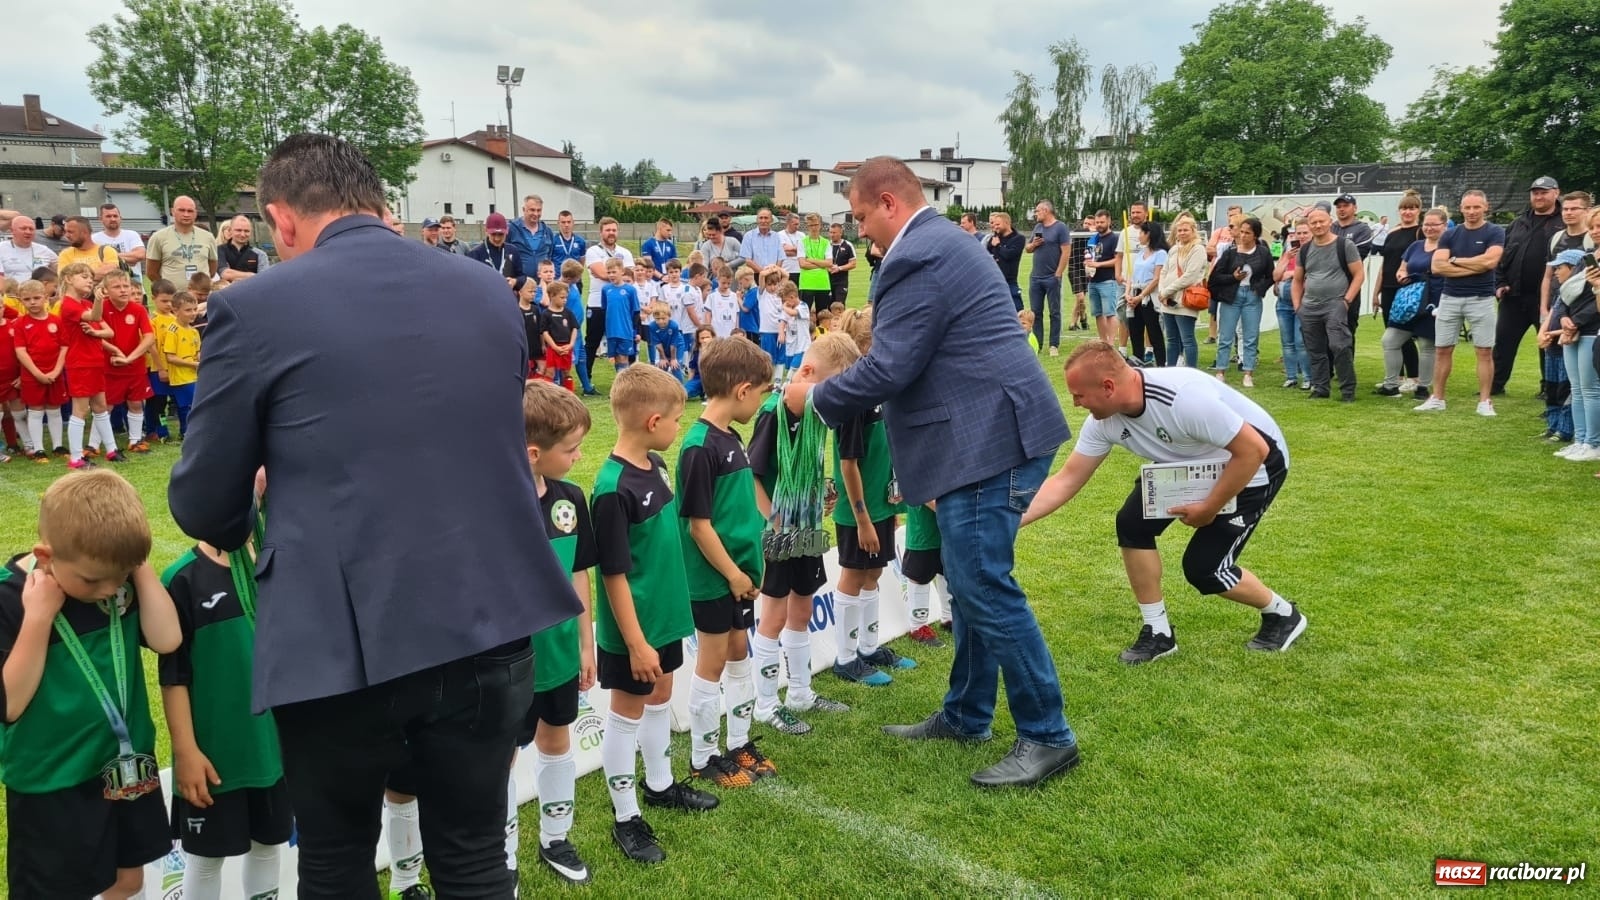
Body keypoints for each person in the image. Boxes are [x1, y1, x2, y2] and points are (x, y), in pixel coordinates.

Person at [167, 133, 577, 900]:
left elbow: (203, 506)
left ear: (280, 221)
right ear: (378, 203)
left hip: (339, 633)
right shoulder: (486, 288)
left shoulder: (253, 305)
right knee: (475, 854)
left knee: (334, 858)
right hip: (486, 612)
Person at [784, 157, 1077, 788]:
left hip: (990, 438)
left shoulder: (916, 255)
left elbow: (890, 367)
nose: (862, 233)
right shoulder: (943, 241)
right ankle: (968, 713)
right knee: (971, 583)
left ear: (889, 202)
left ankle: (1048, 734)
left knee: (983, 585)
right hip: (984, 433)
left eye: (862, 218)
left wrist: (816, 398)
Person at [1024, 342, 1304, 662]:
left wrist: (1210, 507)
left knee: (1205, 569)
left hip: (1253, 465)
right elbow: (1066, 480)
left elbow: (1254, 450)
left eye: (1078, 395)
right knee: (1132, 525)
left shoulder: (1183, 399)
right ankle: (1158, 633)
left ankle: (1283, 614)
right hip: (1190, 463)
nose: (1074, 403)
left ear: (1108, 386)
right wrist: (1006, 519)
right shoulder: (1104, 422)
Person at [0, 469, 182, 900]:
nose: (107, 591)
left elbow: (167, 639)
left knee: (128, 879)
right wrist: (39, 618)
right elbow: (10, 703)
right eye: (92, 580)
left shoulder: (120, 581)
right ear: (45, 556)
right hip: (52, 781)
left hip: (125, 769)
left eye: (119, 576)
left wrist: (139, 571)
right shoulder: (10, 600)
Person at [591, 365, 719, 865]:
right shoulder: (611, 488)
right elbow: (614, 576)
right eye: (674, 419)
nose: (678, 427)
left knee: (662, 694)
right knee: (626, 712)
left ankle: (659, 784)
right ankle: (625, 818)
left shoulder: (657, 467)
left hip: (665, 618)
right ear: (651, 421)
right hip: (635, 630)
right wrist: (636, 643)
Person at [160, 500, 292, 900]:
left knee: (269, 844)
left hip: (272, 750)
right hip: (214, 759)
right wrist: (185, 751)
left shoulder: (277, 564)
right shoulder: (182, 579)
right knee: (206, 857)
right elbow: (174, 677)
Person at [676, 337, 777, 791]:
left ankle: (737, 743)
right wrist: (733, 573)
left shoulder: (730, 438)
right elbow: (699, 526)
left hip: (737, 578)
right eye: (762, 390)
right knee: (712, 663)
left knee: (739, 655)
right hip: (715, 579)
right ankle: (703, 757)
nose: (763, 399)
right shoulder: (699, 446)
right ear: (741, 390)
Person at [752, 334, 861, 736]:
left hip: (807, 523)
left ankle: (800, 692)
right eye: (832, 391)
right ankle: (765, 703)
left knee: (802, 610)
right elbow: (752, 477)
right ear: (809, 373)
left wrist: (820, 491)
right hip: (780, 530)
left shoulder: (812, 415)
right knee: (775, 615)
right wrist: (775, 520)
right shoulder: (771, 413)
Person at [516, 381, 598, 885]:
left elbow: (579, 573)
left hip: (562, 652)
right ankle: (500, 861)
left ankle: (555, 836)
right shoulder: (495, 507)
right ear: (533, 452)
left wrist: (586, 642)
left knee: (557, 737)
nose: (578, 456)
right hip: (509, 662)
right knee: (501, 755)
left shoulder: (570, 499)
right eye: (570, 450)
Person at [827, 307, 915, 686]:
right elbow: (849, 465)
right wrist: (862, 518)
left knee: (874, 571)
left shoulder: (879, 391)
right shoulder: (854, 400)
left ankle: (868, 646)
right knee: (854, 573)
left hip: (880, 503)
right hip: (857, 510)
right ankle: (846, 659)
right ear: (866, 346)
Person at [1419, 191, 1505, 416]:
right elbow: (1438, 267)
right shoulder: (1450, 234)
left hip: (1482, 298)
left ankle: (1485, 402)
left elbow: (1491, 261)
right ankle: (1437, 398)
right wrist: (1476, 265)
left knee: (1484, 351)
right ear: (1461, 208)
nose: (1472, 212)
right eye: (1467, 208)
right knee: (1442, 350)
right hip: (1450, 297)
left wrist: (1456, 261)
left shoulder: (1495, 231)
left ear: (1486, 207)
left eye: (1476, 207)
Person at [1493, 176, 1564, 395]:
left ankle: (1548, 387)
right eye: (1535, 192)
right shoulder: (1518, 222)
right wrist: (1501, 281)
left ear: (1556, 193)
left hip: (1547, 297)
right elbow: (1503, 256)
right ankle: (1495, 384)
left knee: (1548, 343)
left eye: (1544, 192)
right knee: (1503, 342)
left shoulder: (1563, 222)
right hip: (1514, 294)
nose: (1539, 196)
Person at [1292, 206, 1364, 401]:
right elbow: (1297, 280)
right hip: (1309, 307)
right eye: (1313, 222)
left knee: (1340, 346)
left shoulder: (1344, 245)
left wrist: (1346, 301)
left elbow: (1359, 275)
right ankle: (1320, 388)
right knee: (1315, 350)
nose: (1318, 225)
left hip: (1335, 304)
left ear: (1329, 222)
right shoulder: (1305, 249)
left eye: (1321, 221)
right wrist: (1298, 306)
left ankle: (1347, 391)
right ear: (1309, 225)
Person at [56, 263, 123, 467]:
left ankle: (111, 449)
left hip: (94, 360)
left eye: (90, 277)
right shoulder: (68, 304)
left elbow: (108, 331)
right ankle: (76, 457)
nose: (89, 280)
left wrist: (95, 333)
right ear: (68, 279)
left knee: (101, 406)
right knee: (80, 409)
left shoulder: (85, 303)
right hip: (79, 362)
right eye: (84, 276)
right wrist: (100, 301)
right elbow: (95, 317)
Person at [1382, 208, 1446, 401]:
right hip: (1409, 300)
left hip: (1433, 300)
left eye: (1434, 224)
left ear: (1444, 225)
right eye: (1426, 224)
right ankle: (1391, 384)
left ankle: (1423, 387)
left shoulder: (1449, 247)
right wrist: (1401, 275)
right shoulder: (1415, 246)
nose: (1429, 228)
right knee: (1390, 340)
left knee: (1427, 344)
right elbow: (1402, 268)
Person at [1544, 250, 1600, 461]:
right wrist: (1565, 319)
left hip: (1591, 332)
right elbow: (1565, 299)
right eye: (1592, 227)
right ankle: (1581, 440)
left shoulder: (1587, 267)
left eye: (1560, 267)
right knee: (1576, 389)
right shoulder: (1585, 262)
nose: (1556, 271)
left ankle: (1593, 443)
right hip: (1572, 332)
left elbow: (1595, 305)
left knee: (1590, 389)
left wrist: (1574, 322)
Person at [1208, 217, 1274, 388]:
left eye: (1247, 233)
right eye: (1242, 232)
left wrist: (1259, 288)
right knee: (1225, 335)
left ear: (1255, 235)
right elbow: (1215, 277)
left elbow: (1270, 276)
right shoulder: (1230, 253)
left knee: (1251, 336)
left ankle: (1248, 373)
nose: (1243, 236)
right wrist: (1233, 277)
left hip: (1252, 297)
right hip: (1232, 296)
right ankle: (1221, 371)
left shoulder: (1263, 253)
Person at [11, 279, 68, 460]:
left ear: (46, 297)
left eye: (36, 298)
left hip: (54, 375)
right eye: (27, 299)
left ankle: (58, 446)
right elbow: (21, 352)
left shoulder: (56, 321)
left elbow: (64, 347)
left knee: (54, 410)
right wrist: (37, 373)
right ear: (21, 301)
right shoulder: (20, 324)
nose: (32, 302)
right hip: (32, 376)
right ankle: (38, 449)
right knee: (35, 411)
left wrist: (56, 371)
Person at [99, 271, 156, 452]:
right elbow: (95, 336)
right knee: (105, 405)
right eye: (117, 287)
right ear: (106, 290)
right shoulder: (101, 308)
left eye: (126, 286)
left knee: (136, 403)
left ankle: (135, 440)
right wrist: (116, 354)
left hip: (134, 366)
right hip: (110, 365)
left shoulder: (138, 309)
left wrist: (130, 358)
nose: (123, 290)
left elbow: (148, 337)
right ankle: (95, 444)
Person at [1375, 193, 1424, 394]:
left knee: (1404, 336)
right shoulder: (1392, 234)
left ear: (1418, 211)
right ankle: (1397, 377)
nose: (1407, 212)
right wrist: (1375, 292)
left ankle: (1414, 377)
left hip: (1408, 290)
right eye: (1404, 208)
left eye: (1412, 208)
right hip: (1388, 289)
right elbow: (1384, 264)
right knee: (1391, 335)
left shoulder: (1420, 233)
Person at [584, 218, 635, 380]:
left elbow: (629, 276)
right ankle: (587, 381)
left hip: (620, 306)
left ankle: (630, 381)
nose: (611, 233)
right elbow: (600, 273)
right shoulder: (593, 251)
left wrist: (612, 274)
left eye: (614, 230)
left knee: (625, 342)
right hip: (597, 304)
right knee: (592, 342)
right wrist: (617, 274)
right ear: (601, 232)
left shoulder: (625, 252)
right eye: (608, 230)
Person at [1156, 214, 1206, 368]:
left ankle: (1191, 370)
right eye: (1180, 230)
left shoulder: (1198, 249)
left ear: (1193, 231)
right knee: (1170, 339)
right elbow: (1164, 271)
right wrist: (1162, 290)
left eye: (1186, 230)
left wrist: (1167, 291)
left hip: (1184, 300)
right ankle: (1170, 370)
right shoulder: (1174, 249)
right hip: (1168, 300)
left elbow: (1190, 276)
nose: (1182, 233)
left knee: (1187, 339)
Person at [1025, 200, 1071, 356]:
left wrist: (1058, 273)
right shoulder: (1038, 228)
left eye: (1037, 211)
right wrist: (1034, 244)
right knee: (1036, 312)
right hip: (1035, 278)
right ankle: (1037, 344)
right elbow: (1027, 249)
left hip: (1052, 277)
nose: (1035, 214)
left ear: (1046, 210)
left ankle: (1054, 345)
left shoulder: (1060, 228)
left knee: (1054, 312)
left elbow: (1066, 252)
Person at [1272, 220, 1313, 389]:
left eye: (1305, 233)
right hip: (1283, 302)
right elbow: (1275, 276)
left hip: (1302, 301)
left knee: (1300, 341)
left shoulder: (1313, 251)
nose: (1301, 236)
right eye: (1299, 233)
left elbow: (1307, 275)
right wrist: (1286, 259)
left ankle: (1308, 377)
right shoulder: (1289, 251)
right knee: (1286, 342)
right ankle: (1291, 376)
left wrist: (1289, 273)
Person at [146, 197, 220, 286]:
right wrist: (167, 289)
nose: (186, 214)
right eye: (181, 210)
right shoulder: (158, 237)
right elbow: (151, 272)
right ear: (172, 211)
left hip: (201, 297)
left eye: (190, 211)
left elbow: (212, 269)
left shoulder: (208, 237)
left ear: (195, 213)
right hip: (172, 297)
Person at [1126, 220, 1168, 366]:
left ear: (1148, 234)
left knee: (1154, 332)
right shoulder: (1141, 253)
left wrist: (1141, 296)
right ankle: (1138, 364)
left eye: (1141, 233)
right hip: (1135, 294)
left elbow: (1156, 278)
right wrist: (1128, 294)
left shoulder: (1161, 254)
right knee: (1135, 332)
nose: (1139, 236)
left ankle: (1161, 365)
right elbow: (1132, 275)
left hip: (1149, 297)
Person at [162, 293, 202, 438]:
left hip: (194, 375)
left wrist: (201, 360)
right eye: (188, 310)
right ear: (176, 310)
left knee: (193, 404)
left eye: (194, 309)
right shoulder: (173, 331)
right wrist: (193, 363)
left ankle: (189, 432)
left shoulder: (194, 331)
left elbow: (197, 352)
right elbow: (170, 357)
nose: (193, 313)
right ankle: (186, 432)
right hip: (181, 377)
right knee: (187, 406)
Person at [1084, 209, 1123, 344]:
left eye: (1102, 222)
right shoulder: (1093, 239)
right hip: (1093, 280)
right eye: (1097, 222)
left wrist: (1099, 265)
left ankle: (1111, 343)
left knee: (1110, 313)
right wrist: (1088, 263)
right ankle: (1102, 341)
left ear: (1109, 221)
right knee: (1098, 313)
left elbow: (1117, 260)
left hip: (1108, 280)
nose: (1099, 224)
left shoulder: (1114, 239)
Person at [93, 203, 148, 286]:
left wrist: (108, 259)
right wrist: (126, 260)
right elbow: (94, 263)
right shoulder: (94, 239)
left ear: (120, 218)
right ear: (100, 219)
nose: (113, 219)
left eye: (115, 216)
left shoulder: (131, 235)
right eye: (108, 216)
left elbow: (140, 255)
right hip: (105, 289)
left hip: (134, 287)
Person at [541, 281, 581, 391]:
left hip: (566, 347)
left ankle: (569, 394)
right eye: (562, 297)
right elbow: (545, 332)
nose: (565, 300)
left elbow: (574, 328)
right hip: (553, 348)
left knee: (567, 372)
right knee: (550, 372)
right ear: (551, 296)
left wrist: (571, 344)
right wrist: (554, 347)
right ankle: (549, 395)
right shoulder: (546, 314)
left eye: (566, 298)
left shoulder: (568, 313)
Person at [57, 215, 123, 281]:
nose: (66, 235)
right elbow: (64, 278)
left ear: (85, 233)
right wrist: (97, 273)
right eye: (65, 232)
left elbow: (110, 274)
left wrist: (78, 277)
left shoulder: (107, 251)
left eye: (70, 232)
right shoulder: (65, 254)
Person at [467, 212, 523, 281]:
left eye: (501, 234)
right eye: (493, 234)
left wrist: (515, 281)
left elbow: (522, 277)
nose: (497, 238)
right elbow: (469, 280)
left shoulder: (513, 251)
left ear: (507, 232)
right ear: (486, 231)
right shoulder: (475, 254)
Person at [987, 212, 1025, 311]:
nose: (995, 227)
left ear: (1007, 223)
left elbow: (1008, 255)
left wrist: (998, 246)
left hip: (1009, 281)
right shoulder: (995, 237)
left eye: (998, 224)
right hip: (994, 280)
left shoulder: (1019, 239)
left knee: (1017, 310)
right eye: (994, 224)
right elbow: (988, 250)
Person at [507, 195, 556, 272]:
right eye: (532, 210)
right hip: (520, 281)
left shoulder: (548, 231)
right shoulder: (511, 229)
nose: (536, 214)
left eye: (539, 210)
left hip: (542, 282)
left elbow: (551, 255)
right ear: (524, 209)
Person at [776, 282, 811, 381]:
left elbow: (792, 313)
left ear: (792, 297)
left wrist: (784, 307)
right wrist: (781, 333)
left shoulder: (803, 306)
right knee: (789, 369)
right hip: (791, 345)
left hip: (802, 346)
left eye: (785, 300)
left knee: (792, 372)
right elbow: (782, 320)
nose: (784, 303)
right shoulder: (788, 308)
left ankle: (785, 390)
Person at [798, 214, 833, 314]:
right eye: (811, 225)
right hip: (806, 284)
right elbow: (802, 264)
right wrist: (822, 264)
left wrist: (810, 260)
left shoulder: (826, 242)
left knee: (822, 315)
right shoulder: (802, 242)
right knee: (804, 314)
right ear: (807, 226)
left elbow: (829, 263)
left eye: (816, 224)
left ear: (820, 225)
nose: (814, 228)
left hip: (823, 284)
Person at [218, 215, 266, 284]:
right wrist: (253, 275)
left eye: (246, 231)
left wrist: (233, 275)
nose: (243, 234)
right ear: (230, 230)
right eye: (238, 230)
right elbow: (225, 274)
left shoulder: (260, 254)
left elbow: (263, 279)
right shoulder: (219, 250)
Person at [827, 222, 856, 308]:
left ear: (841, 233)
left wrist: (839, 268)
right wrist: (826, 267)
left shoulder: (847, 245)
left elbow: (853, 264)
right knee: (828, 306)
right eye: (830, 232)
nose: (832, 235)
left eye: (834, 232)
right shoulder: (826, 245)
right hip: (827, 280)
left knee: (839, 306)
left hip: (841, 281)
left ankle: (841, 321)